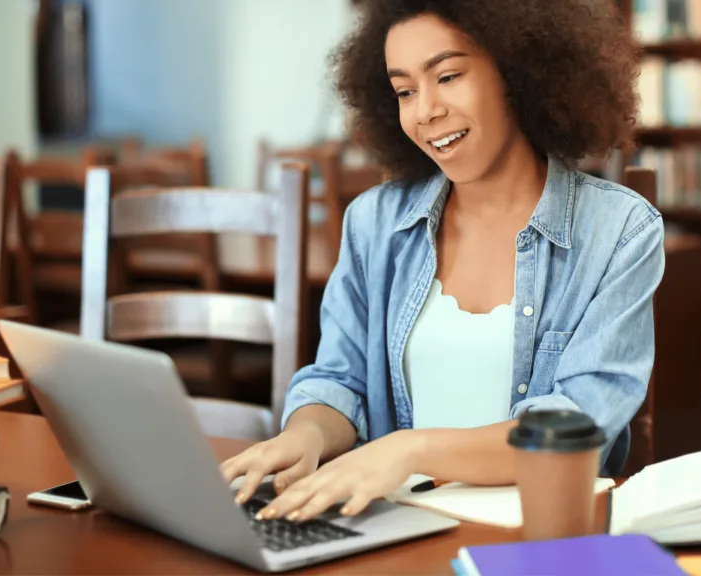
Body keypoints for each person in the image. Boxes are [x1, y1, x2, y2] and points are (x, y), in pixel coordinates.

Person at [222, 0, 663, 523]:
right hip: (393, 530)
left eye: (448, 76)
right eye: (405, 91)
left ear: (516, 73)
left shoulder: (619, 232)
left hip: (537, 537)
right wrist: (307, 434)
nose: (425, 110)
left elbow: (575, 431)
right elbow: (340, 380)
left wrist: (411, 449)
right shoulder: (374, 223)